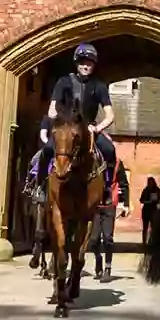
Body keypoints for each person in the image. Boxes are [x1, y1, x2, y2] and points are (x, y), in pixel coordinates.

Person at [43, 44, 116, 191]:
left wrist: (96, 128)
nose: (85, 66)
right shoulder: (63, 82)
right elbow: (52, 110)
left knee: (109, 150)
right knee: (48, 149)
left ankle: (107, 188)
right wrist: (64, 122)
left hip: (89, 129)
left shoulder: (99, 86)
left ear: (94, 65)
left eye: (89, 63)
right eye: (82, 62)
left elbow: (110, 116)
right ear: (76, 63)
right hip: (66, 127)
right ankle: (40, 185)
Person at [94, 158, 131, 281]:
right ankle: (98, 258)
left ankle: (107, 268)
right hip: (95, 205)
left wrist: (125, 204)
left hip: (110, 204)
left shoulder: (116, 163)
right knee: (93, 240)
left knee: (107, 237)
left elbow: (124, 184)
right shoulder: (92, 160)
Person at [139, 176, 160, 244]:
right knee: (145, 227)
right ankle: (144, 242)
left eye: (151, 182)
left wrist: (157, 202)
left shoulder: (157, 190)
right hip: (146, 210)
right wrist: (148, 201)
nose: (150, 184)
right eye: (149, 182)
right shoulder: (146, 190)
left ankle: (152, 241)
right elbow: (141, 200)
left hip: (154, 210)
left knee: (154, 227)